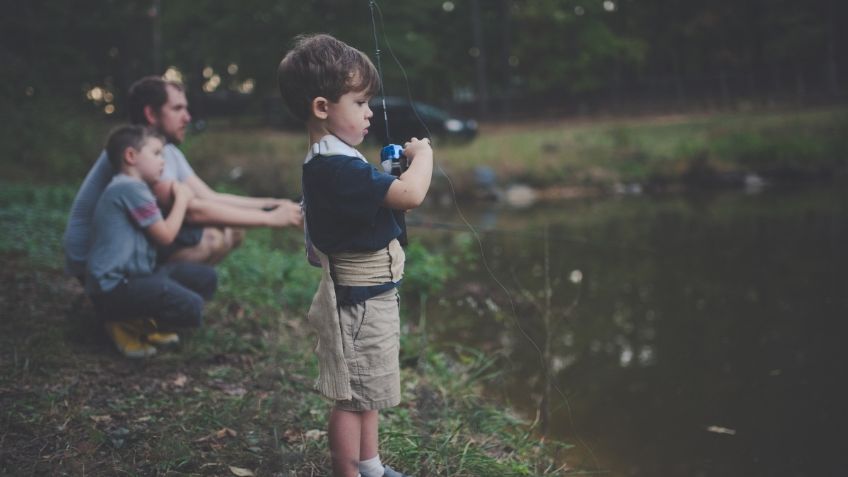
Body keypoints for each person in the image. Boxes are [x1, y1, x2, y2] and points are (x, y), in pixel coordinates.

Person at [277, 34, 433, 477]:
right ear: (323, 107)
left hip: (372, 297)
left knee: (369, 390)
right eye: (360, 102)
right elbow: (410, 195)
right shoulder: (335, 166)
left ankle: (371, 466)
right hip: (360, 304)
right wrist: (424, 156)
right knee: (352, 399)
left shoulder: (337, 159)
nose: (369, 112)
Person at [63, 76, 302, 280]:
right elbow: (193, 211)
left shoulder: (166, 152)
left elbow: (210, 197)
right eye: (177, 109)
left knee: (232, 230)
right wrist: (271, 219)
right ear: (150, 113)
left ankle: (165, 300)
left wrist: (273, 203)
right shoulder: (139, 158)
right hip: (94, 261)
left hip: (127, 248)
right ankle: (144, 308)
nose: (187, 117)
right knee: (212, 237)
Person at [86, 125, 217, 358]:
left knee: (206, 277)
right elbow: (166, 235)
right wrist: (183, 199)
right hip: (113, 288)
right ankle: (121, 322)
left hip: (136, 277)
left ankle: (141, 320)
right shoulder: (128, 188)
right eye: (156, 154)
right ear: (131, 156)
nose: (162, 162)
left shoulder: (134, 188)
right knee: (191, 306)